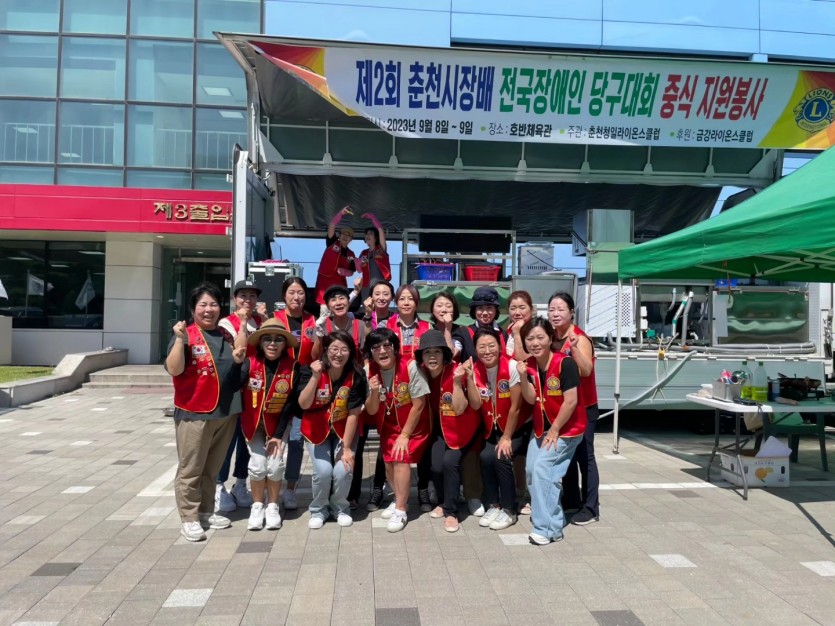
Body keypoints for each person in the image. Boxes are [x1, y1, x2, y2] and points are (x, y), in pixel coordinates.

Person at [165, 282, 246, 542]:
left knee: (212, 468)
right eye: (203, 305)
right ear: (193, 308)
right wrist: (179, 340)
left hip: (224, 412)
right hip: (195, 412)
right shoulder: (186, 334)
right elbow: (174, 369)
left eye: (213, 304)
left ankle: (206, 511)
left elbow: (239, 358)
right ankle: (189, 518)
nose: (209, 309)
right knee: (191, 469)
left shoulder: (225, 335)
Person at [518, 317, 586, 545]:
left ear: (550, 338)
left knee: (543, 469)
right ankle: (552, 519)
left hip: (566, 429)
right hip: (541, 429)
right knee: (531, 471)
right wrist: (522, 377)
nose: (535, 343)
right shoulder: (529, 364)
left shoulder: (565, 363)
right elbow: (531, 398)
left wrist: (555, 429)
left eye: (540, 337)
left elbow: (571, 401)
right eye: (530, 338)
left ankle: (547, 528)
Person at [293, 330, 367, 529]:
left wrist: (347, 448)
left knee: (344, 469)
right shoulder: (310, 370)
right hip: (316, 429)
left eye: (344, 349)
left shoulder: (357, 375)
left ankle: (340, 508)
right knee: (323, 471)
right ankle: (318, 509)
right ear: (325, 350)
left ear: (351, 352)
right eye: (334, 348)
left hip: (344, 430)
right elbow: (303, 404)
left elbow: (353, 414)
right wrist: (315, 378)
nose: (339, 354)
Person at [363, 328, 431, 532]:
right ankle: (400, 499)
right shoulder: (368, 371)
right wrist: (373, 391)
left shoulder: (410, 366)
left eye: (387, 346)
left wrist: (405, 435)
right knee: (388, 464)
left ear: (395, 348)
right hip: (388, 424)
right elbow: (372, 410)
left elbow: (419, 404)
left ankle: (401, 510)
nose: (382, 351)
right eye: (376, 347)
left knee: (401, 458)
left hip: (414, 425)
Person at [418, 330, 482, 533]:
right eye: (427, 352)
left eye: (437, 352)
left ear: (445, 354)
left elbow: (460, 408)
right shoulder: (421, 372)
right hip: (439, 429)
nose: (432, 357)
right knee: (436, 466)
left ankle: (451, 512)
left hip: (463, 429)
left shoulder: (456, 372)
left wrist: (456, 383)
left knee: (449, 463)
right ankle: (443, 500)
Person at [454, 286, 509, 517]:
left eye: (489, 308)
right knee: (472, 449)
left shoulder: (504, 334)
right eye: (480, 308)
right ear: (473, 311)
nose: (485, 313)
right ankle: (473, 495)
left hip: (499, 401)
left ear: (496, 311)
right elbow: (454, 351)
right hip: (473, 401)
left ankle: (505, 495)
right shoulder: (463, 333)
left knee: (498, 451)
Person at [239, 319, 298, 530]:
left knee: (274, 466)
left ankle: (272, 505)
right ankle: (257, 506)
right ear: (261, 343)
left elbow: (291, 404)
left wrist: (278, 435)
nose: (272, 344)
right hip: (254, 424)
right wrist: (235, 363)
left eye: (278, 340)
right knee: (257, 465)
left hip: (279, 425)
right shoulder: (249, 363)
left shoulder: (294, 367)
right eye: (267, 339)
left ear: (285, 344)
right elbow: (232, 385)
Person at [214, 279, 266, 513]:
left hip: (255, 389)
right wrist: (244, 324)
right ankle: (218, 486)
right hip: (233, 389)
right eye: (243, 295)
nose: (248, 300)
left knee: (249, 437)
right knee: (228, 440)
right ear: (234, 298)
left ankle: (241, 483)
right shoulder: (226, 323)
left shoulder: (260, 321)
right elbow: (239, 351)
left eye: (252, 296)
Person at [472, 328, 532, 531]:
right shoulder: (475, 369)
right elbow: (476, 403)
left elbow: (516, 407)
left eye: (492, 345)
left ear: (500, 346)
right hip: (494, 427)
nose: (487, 351)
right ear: (475, 350)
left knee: (501, 456)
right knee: (485, 457)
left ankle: (509, 509)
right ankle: (493, 504)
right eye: (482, 347)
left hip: (517, 427)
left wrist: (507, 437)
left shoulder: (512, 366)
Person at [548, 292, 600, 526]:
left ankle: (590, 508)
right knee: (566, 455)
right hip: (563, 407)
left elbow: (587, 370)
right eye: (552, 309)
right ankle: (571, 500)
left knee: (585, 457)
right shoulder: (551, 337)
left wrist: (575, 348)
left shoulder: (580, 337)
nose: (555, 313)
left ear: (571, 312)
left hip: (584, 406)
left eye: (560, 309)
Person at [349, 278, 396, 511]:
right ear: (370, 296)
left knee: (386, 437)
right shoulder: (360, 319)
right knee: (358, 438)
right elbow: (365, 345)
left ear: (392, 297)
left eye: (386, 293)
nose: (381, 297)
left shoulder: (397, 320)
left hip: (390, 382)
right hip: (366, 379)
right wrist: (367, 316)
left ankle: (379, 487)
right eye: (377, 293)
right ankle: (352, 492)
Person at [273, 276, 318, 511]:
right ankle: (271, 487)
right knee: (275, 436)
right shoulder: (275, 319)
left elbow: (316, 354)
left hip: (303, 384)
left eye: (300, 292)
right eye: (292, 292)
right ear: (284, 295)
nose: (296, 297)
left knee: (297, 439)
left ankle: (290, 489)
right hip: (279, 382)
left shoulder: (312, 320)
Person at [505, 289, 535, 515]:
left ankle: (528, 494)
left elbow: (525, 359)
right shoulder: (507, 330)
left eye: (522, 307)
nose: (517, 311)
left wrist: (517, 334)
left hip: (533, 397)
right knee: (516, 453)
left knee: (529, 454)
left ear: (531, 310)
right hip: (512, 397)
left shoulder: (534, 331)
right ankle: (518, 491)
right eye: (513, 308)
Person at [314, 205, 357, 311]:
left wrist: (344, 271)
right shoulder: (332, 243)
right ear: (339, 235)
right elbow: (332, 225)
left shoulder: (351, 254)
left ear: (351, 239)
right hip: (325, 282)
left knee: (339, 310)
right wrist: (341, 213)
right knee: (324, 311)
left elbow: (352, 271)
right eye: (344, 233)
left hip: (339, 285)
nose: (345, 236)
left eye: (349, 235)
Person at [313, 284, 367, 362]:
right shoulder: (321, 325)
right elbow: (315, 357)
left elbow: (366, 356)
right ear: (328, 307)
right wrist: (319, 334)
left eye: (342, 298)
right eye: (333, 300)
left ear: (348, 302)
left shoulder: (361, 325)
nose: (338, 303)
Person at [386, 284, 431, 362]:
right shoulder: (385, 325)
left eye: (411, 299)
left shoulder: (428, 327)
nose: (406, 303)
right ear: (396, 302)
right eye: (402, 299)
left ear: (417, 303)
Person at [356, 213, 391, 301]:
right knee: (367, 307)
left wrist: (373, 218)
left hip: (380, 287)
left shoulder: (381, 249)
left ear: (376, 237)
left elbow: (380, 230)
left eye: (370, 233)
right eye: (366, 234)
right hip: (366, 288)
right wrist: (358, 263)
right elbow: (359, 270)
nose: (367, 235)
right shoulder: (363, 253)